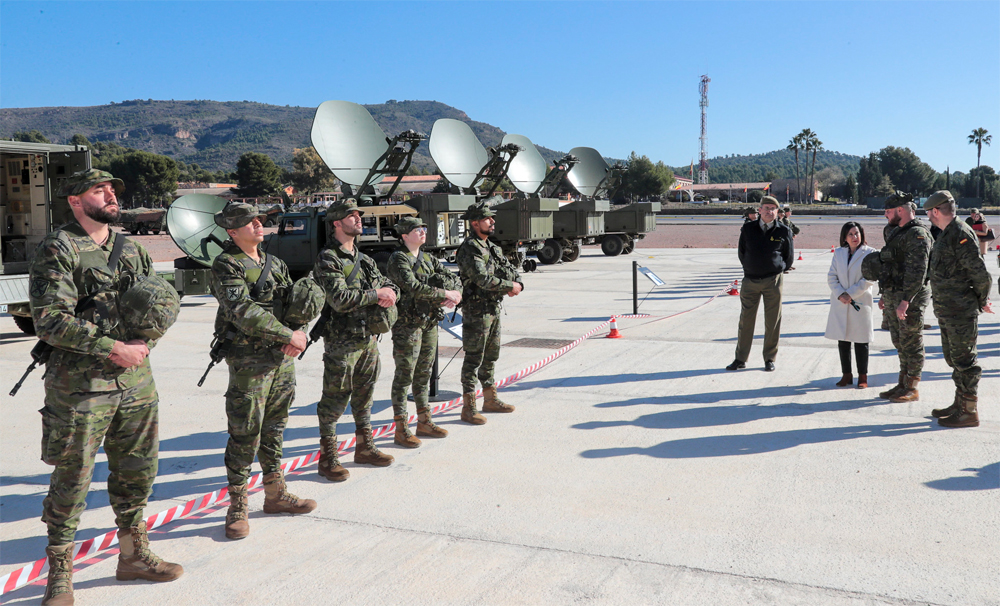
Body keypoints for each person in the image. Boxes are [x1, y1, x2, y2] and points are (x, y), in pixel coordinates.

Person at [28, 169, 183, 605]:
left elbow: (159, 301)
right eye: (99, 189)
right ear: (76, 201)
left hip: (136, 381)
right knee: (73, 477)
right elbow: (50, 320)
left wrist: (143, 343)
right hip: (81, 386)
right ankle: (60, 573)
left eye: (112, 187)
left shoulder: (129, 247)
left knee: (138, 471)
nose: (111, 193)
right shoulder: (58, 248)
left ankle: (133, 555)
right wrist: (112, 346)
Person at [209, 202, 317, 540]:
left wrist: (298, 335)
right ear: (232, 231)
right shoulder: (227, 265)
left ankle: (275, 494)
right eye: (248, 222)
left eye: (258, 219)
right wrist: (289, 335)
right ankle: (237, 506)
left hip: (281, 359)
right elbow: (242, 310)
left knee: (274, 428)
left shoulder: (276, 263)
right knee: (245, 434)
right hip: (249, 362)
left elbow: (294, 304)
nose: (258, 224)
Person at [313, 199, 400, 478]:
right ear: (337, 223)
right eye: (352, 216)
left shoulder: (365, 259)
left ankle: (364, 448)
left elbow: (387, 283)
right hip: (342, 342)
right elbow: (338, 299)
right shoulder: (328, 258)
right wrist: (377, 295)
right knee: (334, 400)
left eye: (358, 215)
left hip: (368, 339)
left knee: (365, 396)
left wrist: (391, 292)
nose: (358, 219)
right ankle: (328, 458)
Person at [387, 216, 462, 446]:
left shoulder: (428, 258)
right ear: (404, 236)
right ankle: (401, 428)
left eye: (423, 228)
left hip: (429, 322)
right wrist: (444, 294)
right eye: (415, 229)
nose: (421, 232)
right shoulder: (398, 258)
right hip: (407, 326)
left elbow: (453, 278)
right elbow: (412, 286)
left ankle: (424, 421)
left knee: (424, 375)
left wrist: (456, 293)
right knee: (404, 376)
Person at [924, 191, 993, 427]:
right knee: (954, 359)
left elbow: (981, 275)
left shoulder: (960, 233)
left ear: (935, 211)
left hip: (961, 310)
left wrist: (981, 300)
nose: (929, 218)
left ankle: (969, 411)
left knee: (965, 361)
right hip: (947, 310)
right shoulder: (946, 234)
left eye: (928, 213)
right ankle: (959, 403)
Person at [456, 200, 524, 423]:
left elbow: (510, 269)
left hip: (493, 308)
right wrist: (508, 286)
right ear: (475, 223)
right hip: (477, 311)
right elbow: (482, 278)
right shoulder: (470, 248)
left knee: (491, 356)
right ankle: (469, 407)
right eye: (487, 218)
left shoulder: (491, 247)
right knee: (474, 358)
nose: (492, 221)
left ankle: (490, 398)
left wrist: (518, 283)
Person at [875, 191, 932, 402]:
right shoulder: (895, 232)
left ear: (901, 210)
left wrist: (906, 300)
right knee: (899, 341)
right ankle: (902, 383)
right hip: (893, 294)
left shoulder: (918, 234)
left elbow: (918, 272)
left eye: (888, 211)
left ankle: (912, 387)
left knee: (912, 342)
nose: (885, 215)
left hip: (910, 297)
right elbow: (889, 265)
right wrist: (884, 294)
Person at [726, 196, 794, 372]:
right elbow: (741, 253)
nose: (769, 211)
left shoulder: (784, 231)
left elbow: (789, 257)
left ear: (777, 212)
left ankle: (769, 358)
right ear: (760, 210)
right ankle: (740, 358)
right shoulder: (748, 229)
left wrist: (777, 269)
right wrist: (751, 267)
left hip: (773, 281)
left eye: (773, 208)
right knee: (746, 321)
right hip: (750, 280)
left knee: (773, 321)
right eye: (766, 208)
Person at [824, 222, 877, 388]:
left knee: (861, 341)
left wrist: (851, 293)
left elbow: (869, 278)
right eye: (851, 234)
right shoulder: (839, 253)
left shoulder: (870, 253)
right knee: (843, 340)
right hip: (841, 302)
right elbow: (832, 276)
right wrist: (840, 293)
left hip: (859, 302)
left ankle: (863, 376)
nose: (855, 237)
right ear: (845, 238)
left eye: (857, 233)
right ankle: (846, 374)